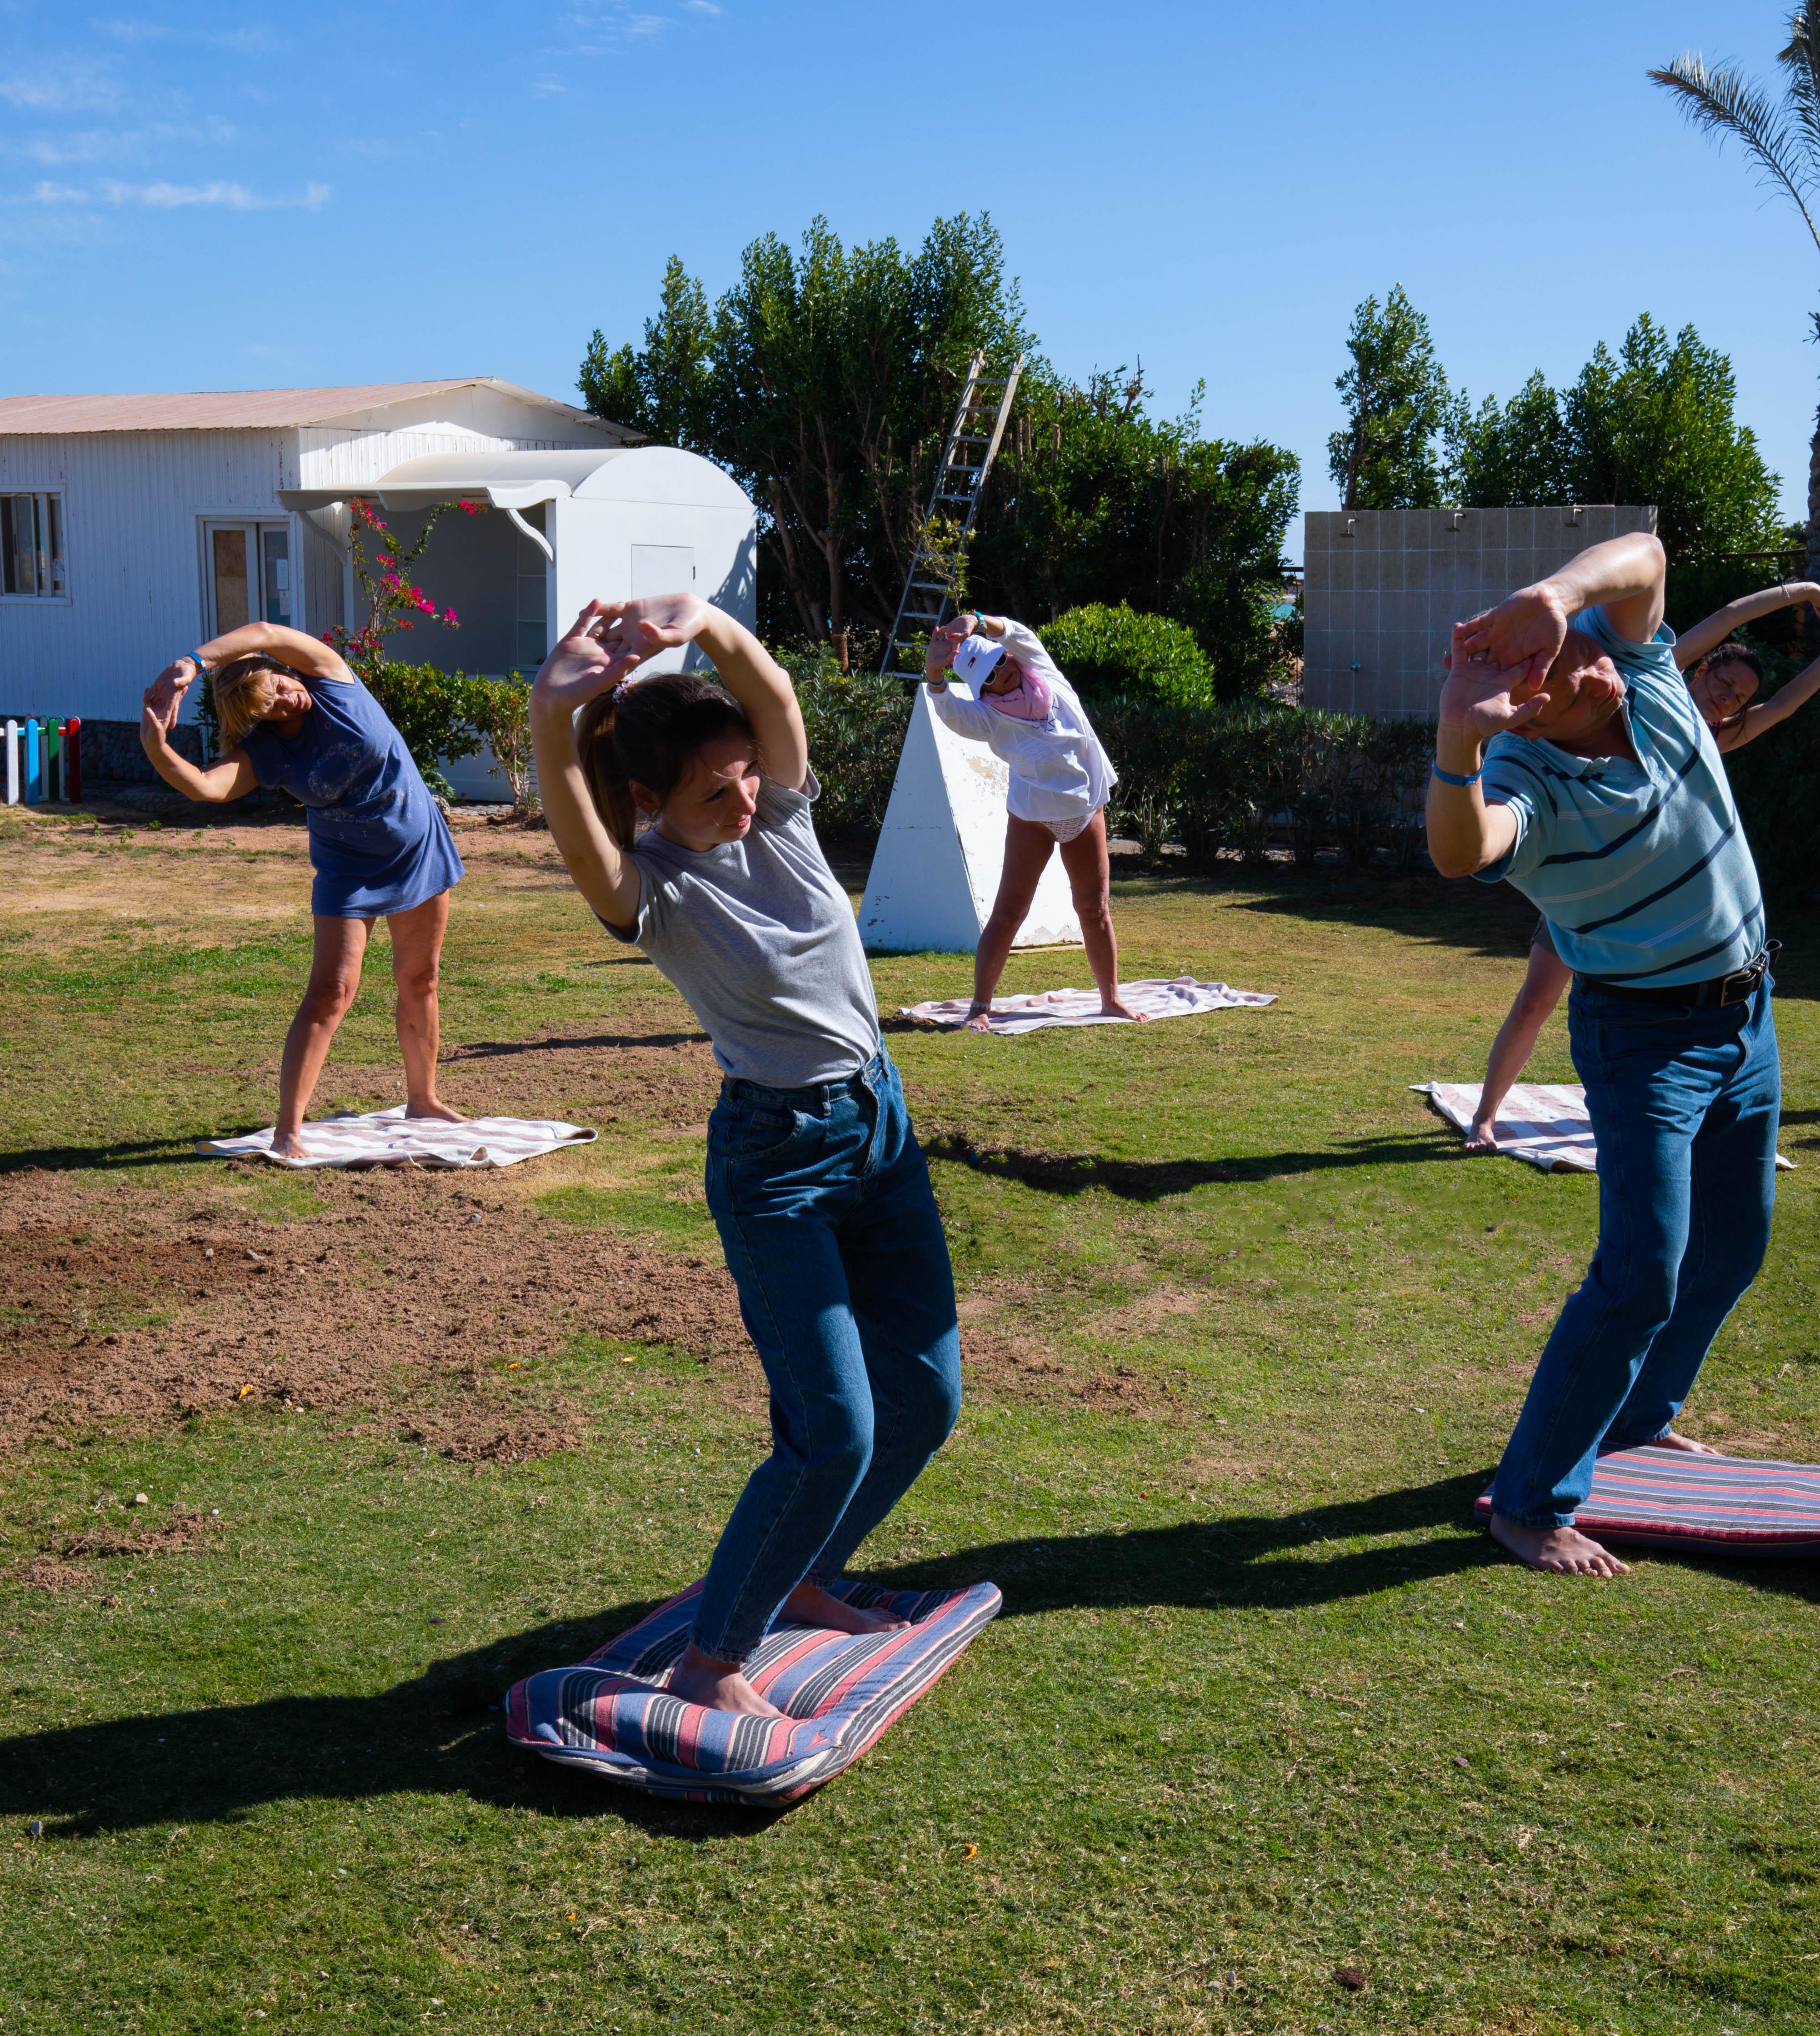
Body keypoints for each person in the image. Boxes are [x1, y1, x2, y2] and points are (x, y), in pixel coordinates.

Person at [531, 592, 960, 1717]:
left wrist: (702, 620)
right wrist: (548, 714)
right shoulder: (654, 893)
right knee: (834, 1430)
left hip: (882, 1130)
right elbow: (576, 826)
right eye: (712, 790)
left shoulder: (784, 821)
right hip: (779, 1169)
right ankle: (715, 1660)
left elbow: (771, 698)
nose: (741, 796)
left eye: (744, 776)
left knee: (926, 1403)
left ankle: (806, 1574)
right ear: (647, 800)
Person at [1428, 531, 1778, 1578]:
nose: (1594, 644)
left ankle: (1638, 1422)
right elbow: (1461, 850)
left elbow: (1647, 557)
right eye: (1569, 649)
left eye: (1584, 635)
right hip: (1647, 1042)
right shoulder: (1526, 781)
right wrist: (1457, 743)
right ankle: (1529, 1505)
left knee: (1733, 1249)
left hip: (1748, 1020)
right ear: (1533, 703)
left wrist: (1550, 589)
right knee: (1639, 1274)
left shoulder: (1649, 683)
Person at [1465, 581, 1820, 1148]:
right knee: (1536, 1001)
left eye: (1740, 696)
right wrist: (1799, 592)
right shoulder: (1651, 676)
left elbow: (1789, 703)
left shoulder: (1717, 735)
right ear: (1700, 670)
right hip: (1590, 894)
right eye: (1723, 682)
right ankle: (1486, 1116)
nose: (1728, 698)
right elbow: (1725, 612)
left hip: (1661, 912)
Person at [138, 624, 467, 1158]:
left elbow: (267, 632)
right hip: (347, 871)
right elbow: (207, 786)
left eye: (282, 686)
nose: (291, 700)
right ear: (259, 720)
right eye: (274, 708)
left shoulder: (333, 681)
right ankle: (288, 1129)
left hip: (418, 850)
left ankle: (423, 1099)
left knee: (421, 978)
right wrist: (158, 749)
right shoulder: (268, 749)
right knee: (331, 991)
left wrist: (190, 664)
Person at [920, 613, 1135, 1028]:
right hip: (1031, 818)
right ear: (982, 690)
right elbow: (949, 711)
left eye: (1003, 661)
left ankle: (1111, 999)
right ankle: (979, 1008)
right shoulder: (986, 717)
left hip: (1086, 809)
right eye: (993, 673)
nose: (1005, 670)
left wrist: (977, 621)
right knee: (1009, 913)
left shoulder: (1044, 674)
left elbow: (1021, 634)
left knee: (1094, 910)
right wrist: (934, 671)